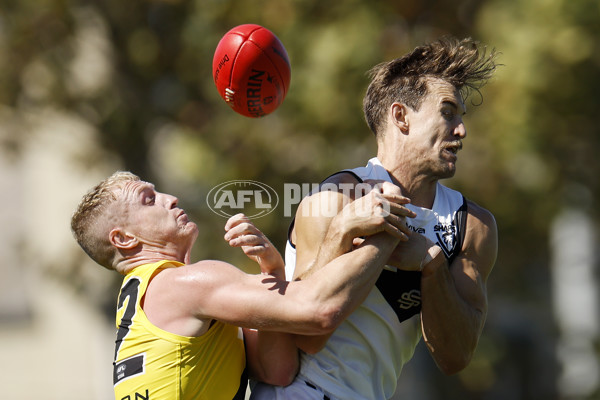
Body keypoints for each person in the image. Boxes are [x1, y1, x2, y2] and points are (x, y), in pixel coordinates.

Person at [251, 36, 500, 399]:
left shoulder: (472, 226)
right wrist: (342, 232)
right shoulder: (334, 197)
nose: (461, 130)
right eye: (448, 113)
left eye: (461, 117)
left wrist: (430, 265)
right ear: (401, 117)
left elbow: (456, 356)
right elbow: (307, 338)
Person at [70, 171, 415, 400]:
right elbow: (319, 311)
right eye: (149, 199)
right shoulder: (183, 285)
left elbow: (276, 371)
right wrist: (380, 227)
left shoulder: (151, 295)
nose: (169, 197)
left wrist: (274, 268)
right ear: (124, 238)